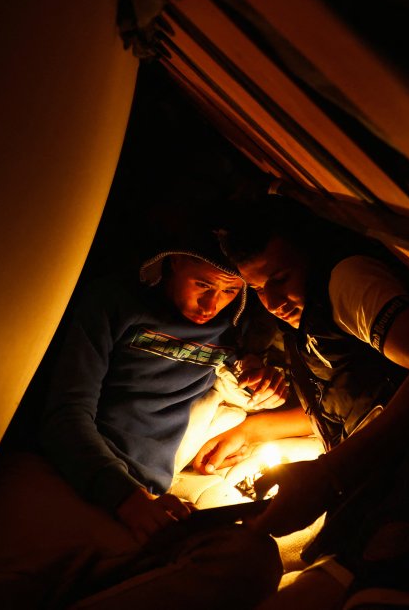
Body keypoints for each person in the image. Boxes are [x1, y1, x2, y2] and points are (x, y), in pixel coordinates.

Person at [190, 192, 409, 608]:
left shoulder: (347, 281)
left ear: (310, 253)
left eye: (280, 279)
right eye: (256, 289)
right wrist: (255, 428)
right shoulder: (304, 321)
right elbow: (352, 399)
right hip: (372, 481)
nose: (271, 303)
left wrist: (328, 476)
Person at [32, 226, 290, 607]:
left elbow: (237, 367)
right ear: (173, 263)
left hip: (152, 499)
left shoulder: (234, 326)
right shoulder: (115, 302)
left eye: (230, 291)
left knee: (253, 557)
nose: (211, 305)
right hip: (81, 478)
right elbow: (65, 414)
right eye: (202, 284)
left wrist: (260, 377)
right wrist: (124, 497)